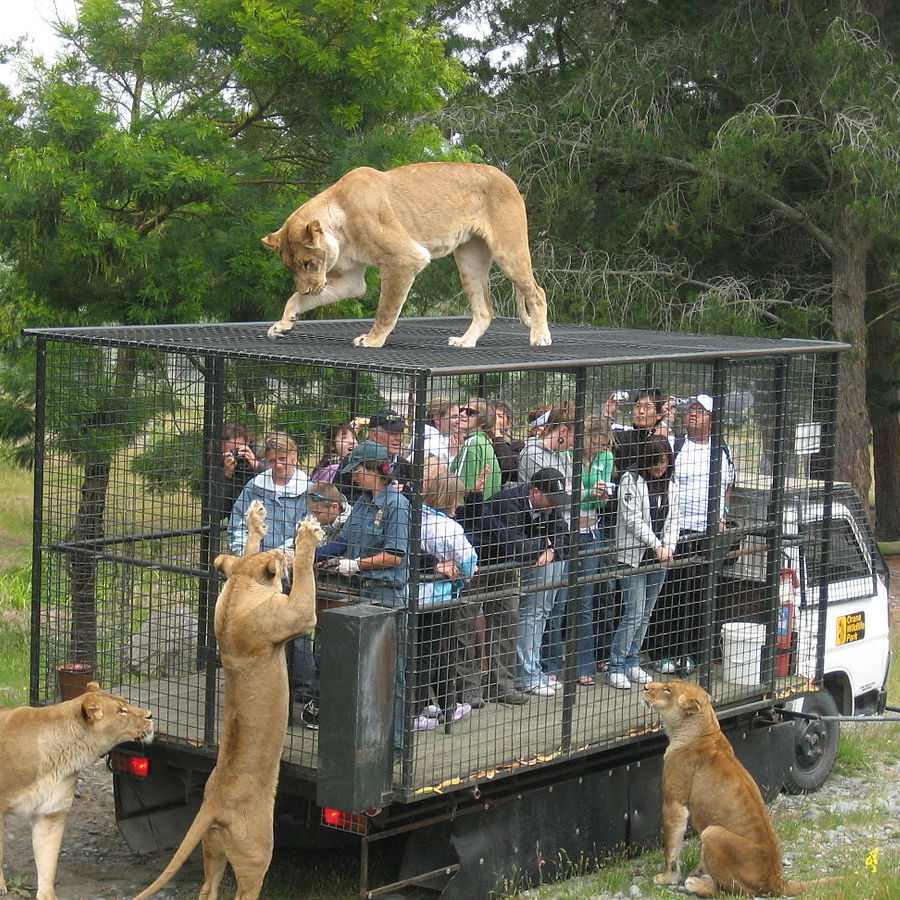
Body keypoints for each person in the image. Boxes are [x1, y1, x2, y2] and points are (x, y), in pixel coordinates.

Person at [650, 394, 736, 676]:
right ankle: (663, 652)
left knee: (698, 595)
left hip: (707, 532)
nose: (694, 414)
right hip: (676, 532)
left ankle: (690, 653)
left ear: (712, 418)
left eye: (701, 411)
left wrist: (722, 516)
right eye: (692, 409)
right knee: (669, 593)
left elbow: (727, 487)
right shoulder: (676, 445)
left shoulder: (721, 450)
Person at [476, 468, 571, 697]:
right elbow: (515, 545)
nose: (554, 505)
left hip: (506, 568)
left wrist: (551, 549)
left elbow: (565, 535)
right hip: (481, 564)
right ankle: (519, 677)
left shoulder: (549, 507)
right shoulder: (508, 503)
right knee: (465, 625)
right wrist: (545, 544)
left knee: (512, 622)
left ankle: (514, 680)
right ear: (535, 491)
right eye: (550, 498)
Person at [608, 435, 681, 690]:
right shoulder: (631, 480)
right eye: (655, 462)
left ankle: (632, 661)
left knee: (646, 614)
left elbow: (674, 518)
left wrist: (669, 546)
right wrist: (657, 545)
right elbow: (633, 520)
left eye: (663, 461)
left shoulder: (671, 482)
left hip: (660, 560)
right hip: (633, 558)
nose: (660, 467)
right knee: (634, 612)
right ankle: (616, 665)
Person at [412, 470, 478, 730]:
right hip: (440, 597)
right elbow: (470, 562)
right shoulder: (450, 527)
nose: (460, 504)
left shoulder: (416, 518)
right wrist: (460, 573)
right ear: (450, 498)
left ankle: (443, 704)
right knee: (432, 653)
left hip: (414, 595)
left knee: (422, 651)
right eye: (458, 498)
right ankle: (416, 712)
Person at [518, 402, 575, 683]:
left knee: (550, 608)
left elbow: (569, 495)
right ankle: (527, 674)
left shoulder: (563, 457)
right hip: (536, 540)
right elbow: (551, 501)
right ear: (562, 430)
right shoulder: (532, 454)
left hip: (557, 542)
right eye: (574, 435)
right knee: (534, 610)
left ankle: (538, 670)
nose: (576, 442)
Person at [292, 482, 351, 729]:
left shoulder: (350, 523)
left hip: (344, 593)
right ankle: (318, 700)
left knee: (331, 651)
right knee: (320, 647)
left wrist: (315, 556)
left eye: (317, 513)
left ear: (335, 507)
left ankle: (324, 703)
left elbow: (347, 547)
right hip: (321, 594)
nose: (313, 517)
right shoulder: (313, 521)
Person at [572, 416, 616, 684]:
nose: (598, 448)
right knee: (561, 602)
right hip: (566, 531)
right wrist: (590, 493)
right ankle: (554, 662)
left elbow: (599, 500)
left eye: (602, 445)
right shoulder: (570, 455)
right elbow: (568, 493)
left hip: (592, 531)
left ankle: (585, 665)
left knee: (589, 599)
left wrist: (601, 496)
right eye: (594, 443)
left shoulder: (607, 458)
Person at [228, 432, 309, 557]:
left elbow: (305, 534)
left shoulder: (307, 489)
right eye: (272, 460)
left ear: (293, 455)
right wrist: (246, 554)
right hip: (253, 562)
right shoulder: (254, 486)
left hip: (290, 562)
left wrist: (275, 557)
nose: (278, 465)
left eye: (282, 458)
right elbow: (237, 524)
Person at [334, 408, 412, 500]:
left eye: (401, 432)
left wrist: (405, 492)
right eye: (393, 432)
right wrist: (376, 494)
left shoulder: (405, 466)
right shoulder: (352, 463)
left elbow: (418, 500)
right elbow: (337, 498)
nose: (400, 438)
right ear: (374, 435)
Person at [451, 398, 502, 500]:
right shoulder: (485, 442)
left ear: (483, 421)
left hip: (467, 512)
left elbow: (458, 487)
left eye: (470, 412)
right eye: (462, 410)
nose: (462, 414)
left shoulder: (472, 443)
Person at [219, 421, 263, 518]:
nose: (235, 455)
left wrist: (257, 466)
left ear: (247, 441)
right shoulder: (219, 464)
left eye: (237, 451)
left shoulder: (263, 456)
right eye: (230, 452)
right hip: (239, 522)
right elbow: (219, 513)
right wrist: (227, 476)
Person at [414, 398, 465, 463]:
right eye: (454, 417)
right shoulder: (432, 446)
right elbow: (438, 472)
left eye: (459, 416)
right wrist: (454, 456)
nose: (458, 421)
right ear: (437, 418)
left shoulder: (427, 435)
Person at [487, 399, 524, 486]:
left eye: (499, 416)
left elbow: (508, 468)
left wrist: (497, 436)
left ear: (508, 423)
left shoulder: (518, 445)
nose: (495, 420)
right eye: (492, 416)